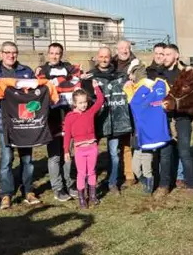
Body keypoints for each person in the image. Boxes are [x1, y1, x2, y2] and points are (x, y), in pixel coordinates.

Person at [0, 41, 38, 210]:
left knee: (27, 159)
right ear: (1, 54)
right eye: (7, 52)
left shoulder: (26, 71)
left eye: (13, 52)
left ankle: (28, 191)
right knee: (7, 159)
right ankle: (6, 194)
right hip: (4, 123)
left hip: (24, 122)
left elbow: (36, 93)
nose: (10, 55)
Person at [84, 47, 130, 195]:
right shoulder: (89, 77)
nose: (104, 59)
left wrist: (130, 84)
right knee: (91, 154)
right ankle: (90, 183)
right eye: (101, 56)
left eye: (107, 57)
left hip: (115, 121)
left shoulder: (120, 76)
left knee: (114, 154)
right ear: (97, 57)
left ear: (111, 58)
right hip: (95, 122)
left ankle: (112, 182)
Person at [37, 42, 79, 202]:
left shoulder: (69, 68)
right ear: (48, 54)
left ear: (61, 54)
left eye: (58, 53)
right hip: (51, 119)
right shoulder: (42, 71)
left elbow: (77, 76)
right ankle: (57, 188)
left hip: (68, 118)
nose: (54, 56)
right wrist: (63, 81)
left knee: (67, 153)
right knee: (54, 156)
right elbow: (40, 84)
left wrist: (60, 81)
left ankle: (69, 183)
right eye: (52, 53)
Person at [155, 44, 193, 197]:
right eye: (163, 54)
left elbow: (192, 97)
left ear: (176, 56)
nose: (164, 57)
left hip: (182, 117)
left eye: (168, 54)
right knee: (165, 153)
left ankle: (190, 185)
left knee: (184, 152)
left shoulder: (186, 74)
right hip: (164, 118)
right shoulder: (160, 74)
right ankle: (164, 185)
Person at [125, 64, 172, 194]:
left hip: (148, 134)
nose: (129, 77)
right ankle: (145, 180)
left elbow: (135, 103)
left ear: (136, 74)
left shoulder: (144, 88)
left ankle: (149, 184)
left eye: (131, 74)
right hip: (138, 134)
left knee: (146, 164)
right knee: (135, 167)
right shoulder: (134, 88)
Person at [63, 80, 104, 209]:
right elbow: (67, 135)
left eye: (85, 102)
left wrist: (96, 87)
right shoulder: (70, 117)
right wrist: (66, 151)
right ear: (74, 103)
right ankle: (81, 198)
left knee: (91, 172)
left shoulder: (90, 112)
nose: (84, 105)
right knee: (81, 173)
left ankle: (92, 196)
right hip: (79, 150)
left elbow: (100, 101)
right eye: (80, 103)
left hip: (92, 147)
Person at [111, 39, 141, 187]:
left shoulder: (137, 65)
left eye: (126, 48)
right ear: (117, 50)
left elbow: (143, 80)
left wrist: (135, 80)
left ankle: (129, 174)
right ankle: (113, 173)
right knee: (113, 144)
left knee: (126, 141)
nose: (124, 51)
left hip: (129, 108)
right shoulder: (110, 63)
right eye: (121, 48)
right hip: (113, 107)